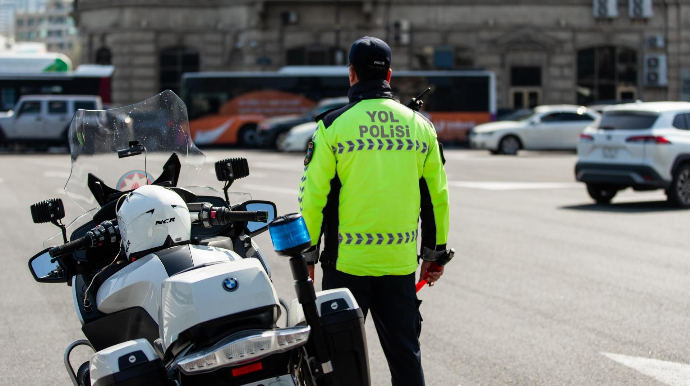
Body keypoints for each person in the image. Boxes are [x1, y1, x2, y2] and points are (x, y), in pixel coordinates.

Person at [298, 36, 450, 386]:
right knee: (405, 359)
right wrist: (434, 253)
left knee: (340, 364)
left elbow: (312, 199)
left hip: (345, 265)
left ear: (351, 74)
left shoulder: (332, 126)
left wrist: (306, 257)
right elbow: (437, 197)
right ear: (390, 75)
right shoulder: (421, 127)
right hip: (398, 264)